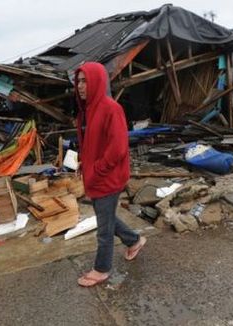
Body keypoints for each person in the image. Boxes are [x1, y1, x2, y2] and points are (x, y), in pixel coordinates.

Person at [75, 62, 147, 287]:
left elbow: (117, 149)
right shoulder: (87, 110)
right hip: (95, 176)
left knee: (103, 229)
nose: (80, 86)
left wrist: (96, 170)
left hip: (108, 177)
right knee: (105, 218)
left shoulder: (111, 108)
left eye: (85, 80)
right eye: (78, 80)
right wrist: (83, 163)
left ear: (97, 81)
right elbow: (92, 143)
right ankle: (134, 240)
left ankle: (102, 269)